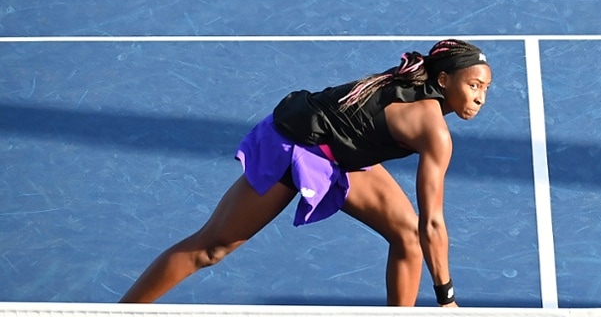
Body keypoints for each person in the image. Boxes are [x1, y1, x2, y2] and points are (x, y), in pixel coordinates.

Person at [119, 39, 493, 307]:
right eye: (473, 85)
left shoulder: (414, 84)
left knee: (407, 236)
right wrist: (446, 298)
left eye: (486, 88)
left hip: (341, 152)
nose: (480, 97)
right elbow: (433, 223)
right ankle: (121, 312)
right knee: (210, 248)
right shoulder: (434, 132)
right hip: (298, 144)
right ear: (443, 81)